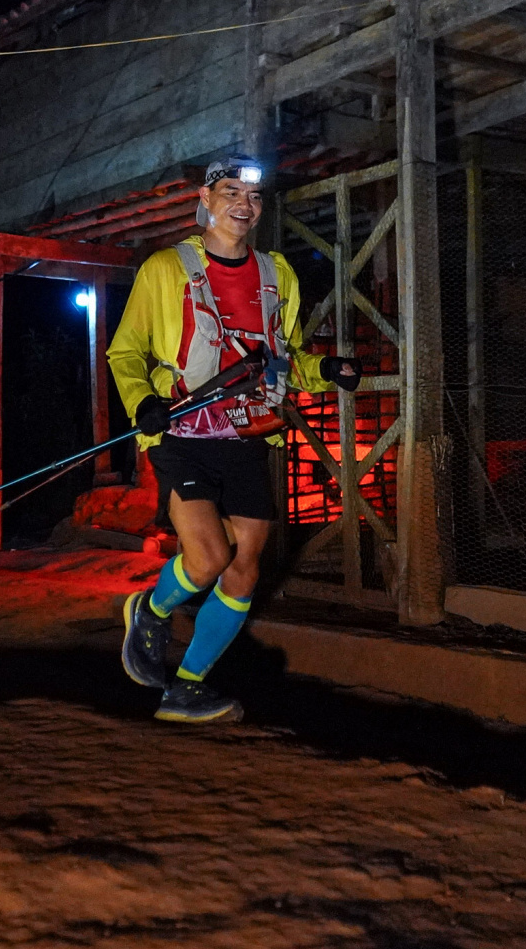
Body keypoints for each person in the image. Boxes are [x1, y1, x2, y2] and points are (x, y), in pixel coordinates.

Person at [108, 154, 360, 723]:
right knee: (208, 557)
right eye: (230, 193)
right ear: (205, 199)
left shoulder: (277, 274)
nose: (244, 205)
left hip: (248, 432)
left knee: (244, 566)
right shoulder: (164, 268)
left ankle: (187, 687)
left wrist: (326, 371)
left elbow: (282, 359)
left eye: (254, 197)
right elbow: (125, 351)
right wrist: (142, 402)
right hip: (182, 430)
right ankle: (151, 610)